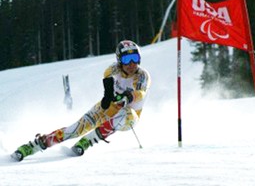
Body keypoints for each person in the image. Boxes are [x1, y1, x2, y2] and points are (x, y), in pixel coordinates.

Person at [11, 40, 151, 161]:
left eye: (135, 58)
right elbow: (107, 88)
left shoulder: (142, 75)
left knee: (127, 113)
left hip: (129, 118)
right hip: (110, 108)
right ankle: (34, 146)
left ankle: (87, 142)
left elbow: (140, 92)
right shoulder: (112, 69)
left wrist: (128, 97)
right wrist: (108, 98)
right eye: (127, 59)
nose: (132, 64)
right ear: (119, 60)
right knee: (75, 129)